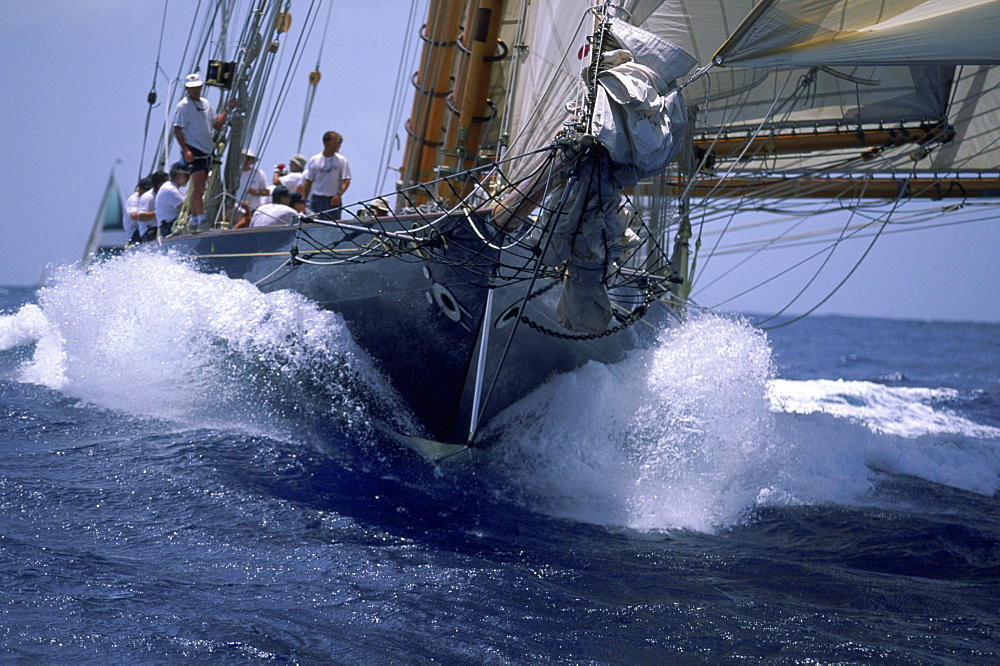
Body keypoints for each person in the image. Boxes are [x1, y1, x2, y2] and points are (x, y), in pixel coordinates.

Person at [173, 72, 233, 232]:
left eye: (197, 87)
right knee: (198, 186)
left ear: (201, 86)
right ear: (186, 88)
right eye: (191, 88)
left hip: (207, 150)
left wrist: (227, 109)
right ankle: (201, 219)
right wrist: (185, 150)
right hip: (194, 149)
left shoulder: (205, 103)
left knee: (200, 186)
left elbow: (216, 125)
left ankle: (194, 218)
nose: (195, 90)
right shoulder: (183, 106)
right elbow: (177, 129)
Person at [302, 131, 351, 221]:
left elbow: (346, 179)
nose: (337, 145)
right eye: (334, 143)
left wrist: (339, 195)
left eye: (338, 143)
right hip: (317, 199)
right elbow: (309, 181)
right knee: (314, 223)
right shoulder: (314, 160)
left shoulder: (341, 160)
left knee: (334, 224)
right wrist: (304, 199)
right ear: (326, 143)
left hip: (333, 199)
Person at [154, 162, 189, 238]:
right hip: (170, 227)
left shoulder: (176, 188)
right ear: (178, 175)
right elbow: (186, 207)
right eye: (186, 175)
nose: (188, 179)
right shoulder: (170, 189)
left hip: (171, 225)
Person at [138, 171, 168, 242]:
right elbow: (141, 216)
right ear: (160, 185)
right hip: (149, 231)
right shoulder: (148, 197)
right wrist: (158, 212)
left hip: (160, 227)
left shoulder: (166, 194)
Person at [123, 177, 151, 245]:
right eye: (146, 190)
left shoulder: (148, 198)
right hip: (134, 233)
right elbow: (134, 215)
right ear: (140, 189)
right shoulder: (134, 199)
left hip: (143, 229)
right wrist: (154, 214)